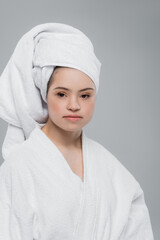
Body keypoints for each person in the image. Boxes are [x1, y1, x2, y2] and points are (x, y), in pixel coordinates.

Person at [0, 23, 154, 239]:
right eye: (62, 94)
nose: (74, 105)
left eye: (85, 95)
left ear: (95, 97)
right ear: (45, 94)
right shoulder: (19, 167)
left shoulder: (112, 171)